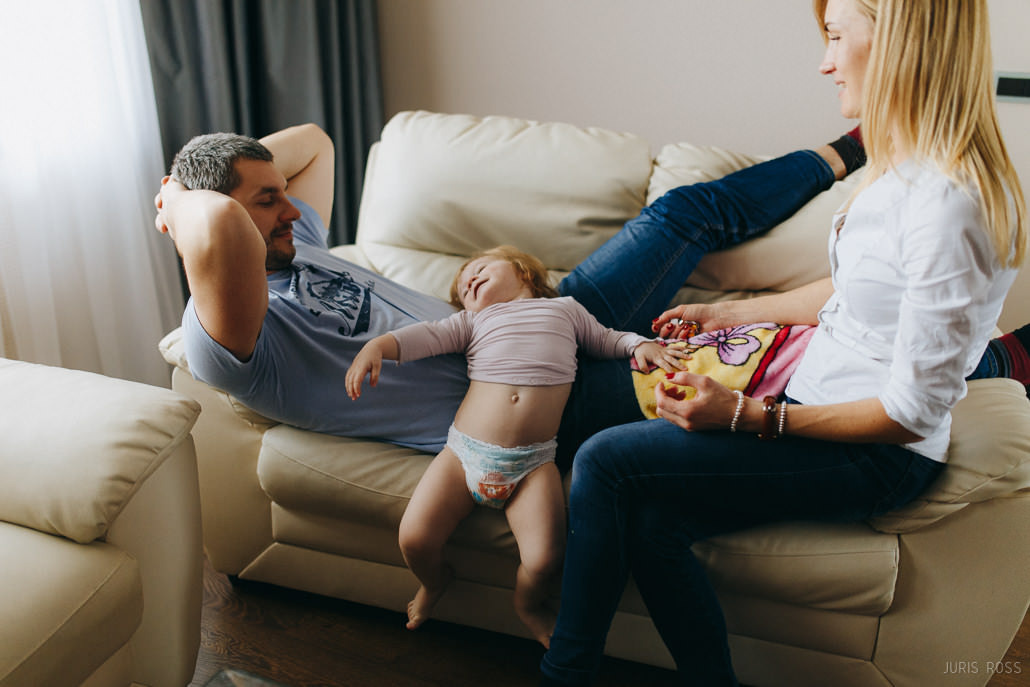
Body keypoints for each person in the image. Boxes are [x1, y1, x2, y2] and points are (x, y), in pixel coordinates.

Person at [538, 0, 1027, 684]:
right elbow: (851, 289)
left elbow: (911, 413)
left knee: (606, 461)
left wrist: (745, 415)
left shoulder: (951, 205)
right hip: (818, 404)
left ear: (898, 42)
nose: (824, 61)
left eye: (835, 37)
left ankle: (565, 674)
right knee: (652, 524)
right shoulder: (901, 167)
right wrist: (728, 313)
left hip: (877, 454)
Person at [155, 118, 863, 471]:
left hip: (540, 314)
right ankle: (925, 347)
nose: (292, 208)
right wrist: (175, 197)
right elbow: (217, 221)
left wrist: (227, 185)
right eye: (269, 200)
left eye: (284, 196)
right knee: (734, 360)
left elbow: (312, 141)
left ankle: (853, 147)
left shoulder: (292, 240)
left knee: (678, 213)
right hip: (535, 390)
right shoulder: (234, 339)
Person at [344, 245, 684, 645]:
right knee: (414, 539)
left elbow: (603, 339)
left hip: (534, 463)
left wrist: (636, 344)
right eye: (463, 286)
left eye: (480, 268)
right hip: (462, 456)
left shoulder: (566, 309)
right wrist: (378, 347)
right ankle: (434, 582)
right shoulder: (474, 321)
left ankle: (527, 604)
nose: (469, 279)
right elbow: (426, 337)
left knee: (544, 559)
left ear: (524, 270)